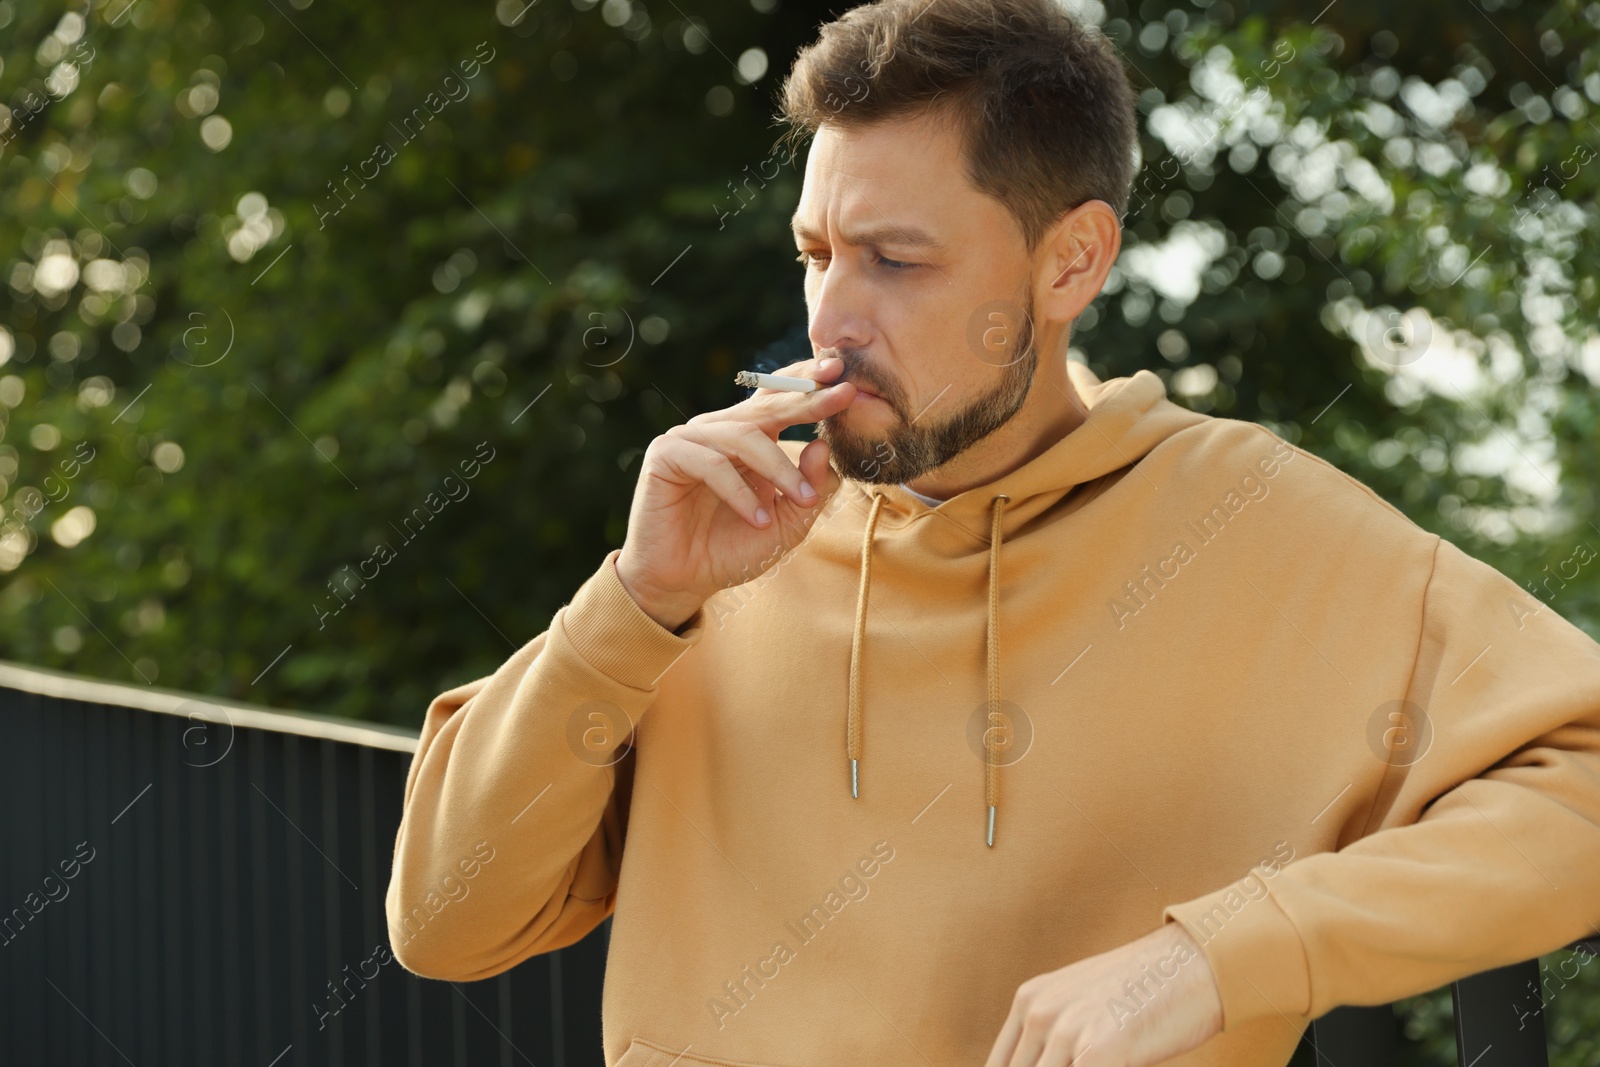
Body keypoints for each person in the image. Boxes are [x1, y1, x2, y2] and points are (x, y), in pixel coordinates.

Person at [384, 0, 1600, 1063]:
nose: (832, 319)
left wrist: (1221, 955)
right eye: (815, 254)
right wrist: (633, 605)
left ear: (1071, 260)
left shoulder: (1255, 526)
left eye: (895, 261)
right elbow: (444, 924)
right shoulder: (725, 531)